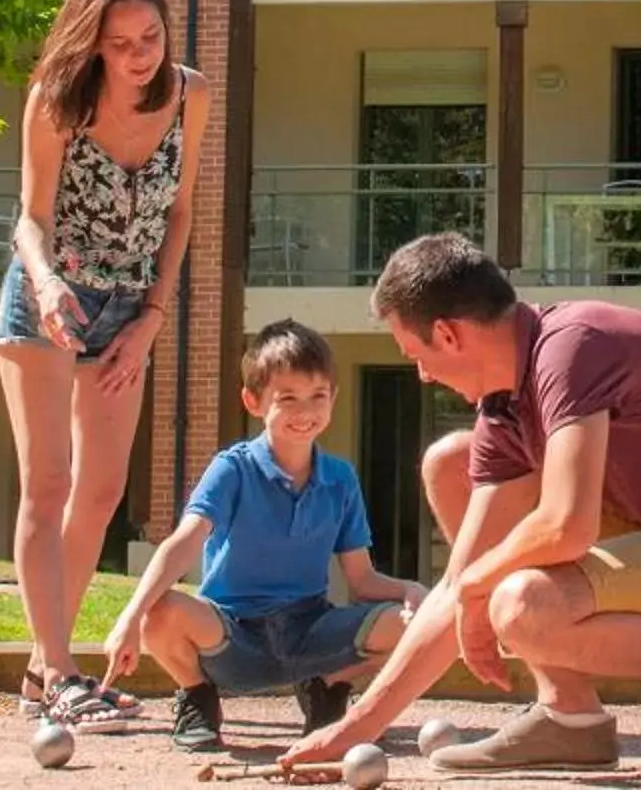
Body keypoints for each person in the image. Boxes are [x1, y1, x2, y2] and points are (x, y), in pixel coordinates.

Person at [282, 233, 641, 781]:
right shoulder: (505, 407)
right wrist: (355, 729)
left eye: (415, 356)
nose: (422, 375)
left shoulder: (571, 349)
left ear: (447, 335)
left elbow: (566, 527)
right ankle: (570, 716)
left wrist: (475, 588)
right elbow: (455, 586)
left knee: (524, 605)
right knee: (451, 465)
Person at [0, 0, 209, 727]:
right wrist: (48, 286)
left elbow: (180, 213)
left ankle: (41, 673)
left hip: (129, 307)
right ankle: (58, 671)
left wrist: (152, 316)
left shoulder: (190, 95)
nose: (140, 53)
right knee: (48, 487)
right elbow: (30, 218)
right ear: (91, 45)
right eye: (120, 43)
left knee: (103, 492)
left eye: (149, 35)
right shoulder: (56, 102)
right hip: (49, 301)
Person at [106, 321, 424, 753]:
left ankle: (328, 688)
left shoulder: (340, 479)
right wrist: (129, 619)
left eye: (317, 396)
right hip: (233, 635)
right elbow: (183, 542)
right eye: (287, 398)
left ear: (333, 397)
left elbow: (363, 580)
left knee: (423, 625)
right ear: (254, 401)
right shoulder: (232, 469)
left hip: (311, 629)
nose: (305, 411)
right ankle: (197, 695)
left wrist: (411, 591)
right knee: (157, 611)